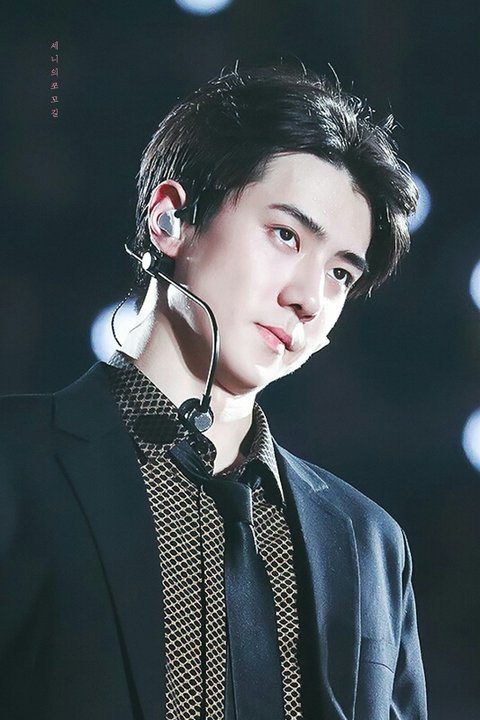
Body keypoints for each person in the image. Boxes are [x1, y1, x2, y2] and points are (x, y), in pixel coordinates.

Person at [0, 65, 427, 719]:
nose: (310, 299)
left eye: (340, 274)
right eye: (286, 236)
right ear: (170, 219)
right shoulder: (16, 464)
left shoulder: (371, 542)